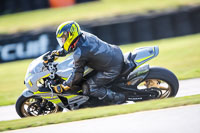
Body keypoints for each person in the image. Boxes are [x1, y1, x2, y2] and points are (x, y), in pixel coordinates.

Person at [53, 21, 125, 104]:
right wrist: (59, 53)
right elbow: (72, 47)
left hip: (112, 68)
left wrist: (65, 85)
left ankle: (117, 98)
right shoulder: (83, 35)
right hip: (115, 53)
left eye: (63, 39)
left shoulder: (80, 52)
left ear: (70, 35)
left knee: (88, 87)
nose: (62, 41)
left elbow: (77, 74)